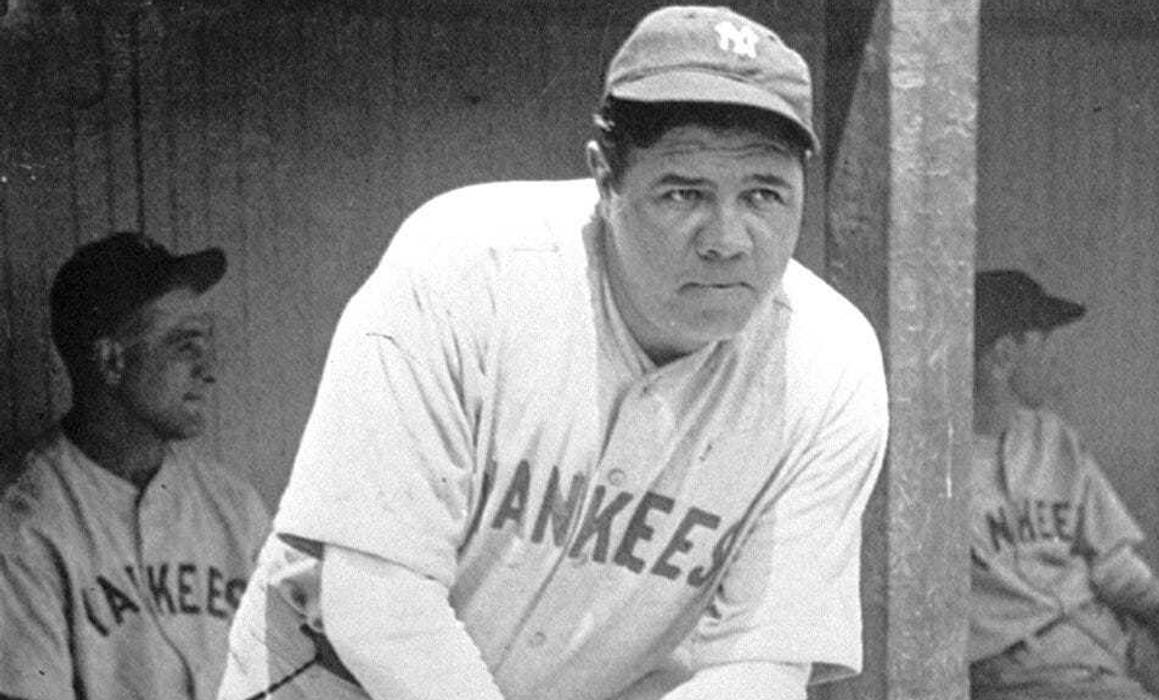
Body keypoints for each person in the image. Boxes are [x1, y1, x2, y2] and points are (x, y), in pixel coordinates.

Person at [218, 5, 889, 700]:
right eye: (683, 192)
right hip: (334, 676)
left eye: (764, 194)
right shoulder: (466, 270)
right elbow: (378, 601)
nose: (728, 238)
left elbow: (761, 663)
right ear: (604, 177)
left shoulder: (827, 365)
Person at [0, 232, 271, 699]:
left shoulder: (233, 506)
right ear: (112, 361)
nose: (209, 369)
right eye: (185, 345)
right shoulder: (25, 523)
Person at [968, 268, 1159, 700]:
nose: (1054, 359)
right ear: (1003, 356)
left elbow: (1110, 559)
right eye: (1044, 342)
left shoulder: (1053, 438)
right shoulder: (935, 469)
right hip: (1026, 668)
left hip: (1112, 636)